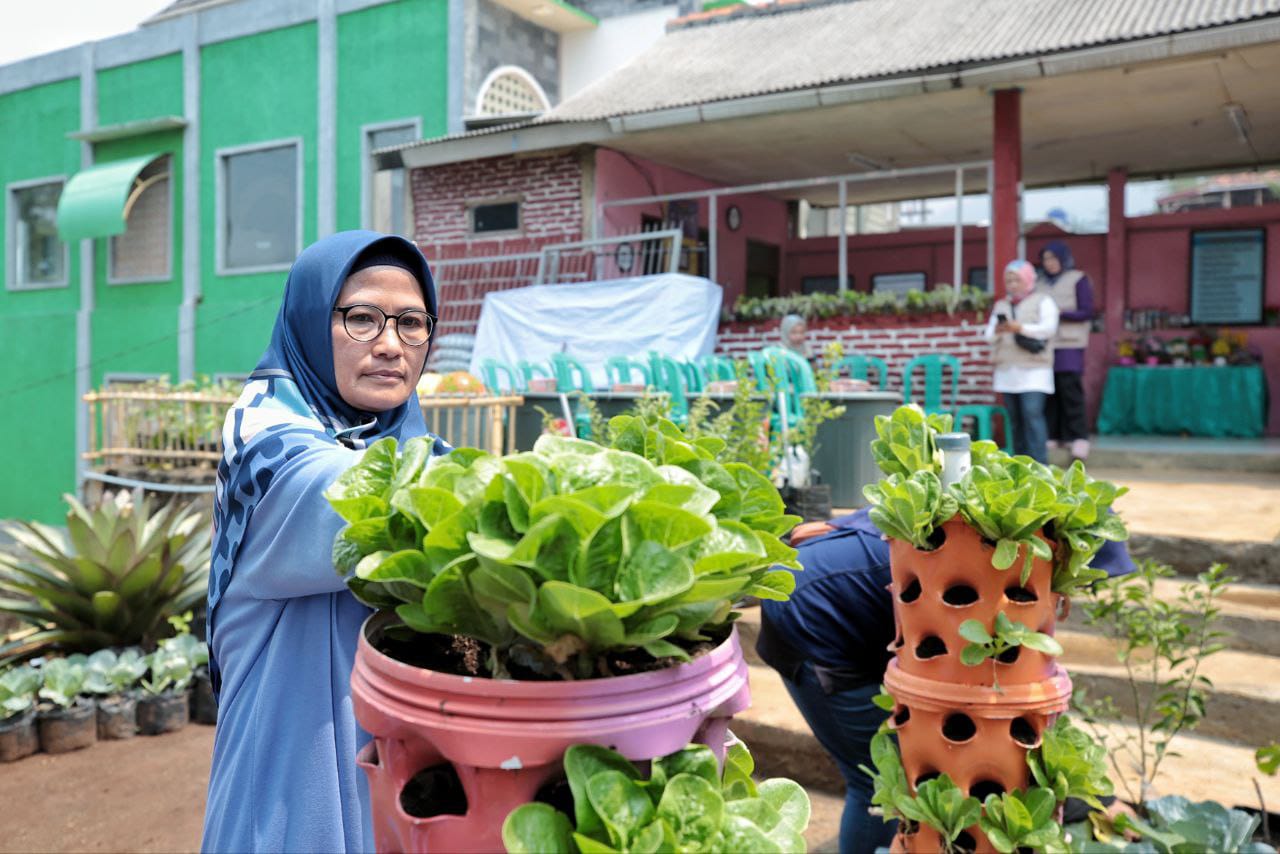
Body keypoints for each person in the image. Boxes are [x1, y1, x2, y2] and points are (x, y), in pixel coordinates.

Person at [201, 231, 450, 853]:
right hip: (289, 778)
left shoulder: (415, 447)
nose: (390, 345)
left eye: (412, 323)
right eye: (362, 318)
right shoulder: (266, 442)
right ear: (313, 322)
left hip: (395, 765)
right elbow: (348, 500)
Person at [756, 511, 1135, 854]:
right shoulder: (980, 571)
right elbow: (997, 697)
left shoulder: (968, 523)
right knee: (882, 779)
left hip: (831, 598)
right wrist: (1093, 800)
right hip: (812, 620)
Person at [984, 259, 1059, 462]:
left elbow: (1049, 329)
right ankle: (1020, 463)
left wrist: (1021, 328)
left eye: (1017, 280)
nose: (1012, 284)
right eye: (1009, 281)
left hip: (1034, 370)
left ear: (1028, 280)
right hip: (1008, 370)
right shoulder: (1001, 305)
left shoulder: (1043, 301)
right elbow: (988, 336)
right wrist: (999, 330)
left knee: (1032, 414)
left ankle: (1040, 464)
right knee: (1015, 419)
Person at [1037, 240, 1096, 463]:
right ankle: (1054, 435)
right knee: (1050, 391)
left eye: (1053, 258)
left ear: (1063, 259)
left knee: (1070, 389)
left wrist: (1061, 313)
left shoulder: (1078, 279)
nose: (1049, 263)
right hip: (1047, 344)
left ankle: (1078, 437)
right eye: (1046, 259)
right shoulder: (1040, 283)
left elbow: (1087, 311)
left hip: (1070, 343)